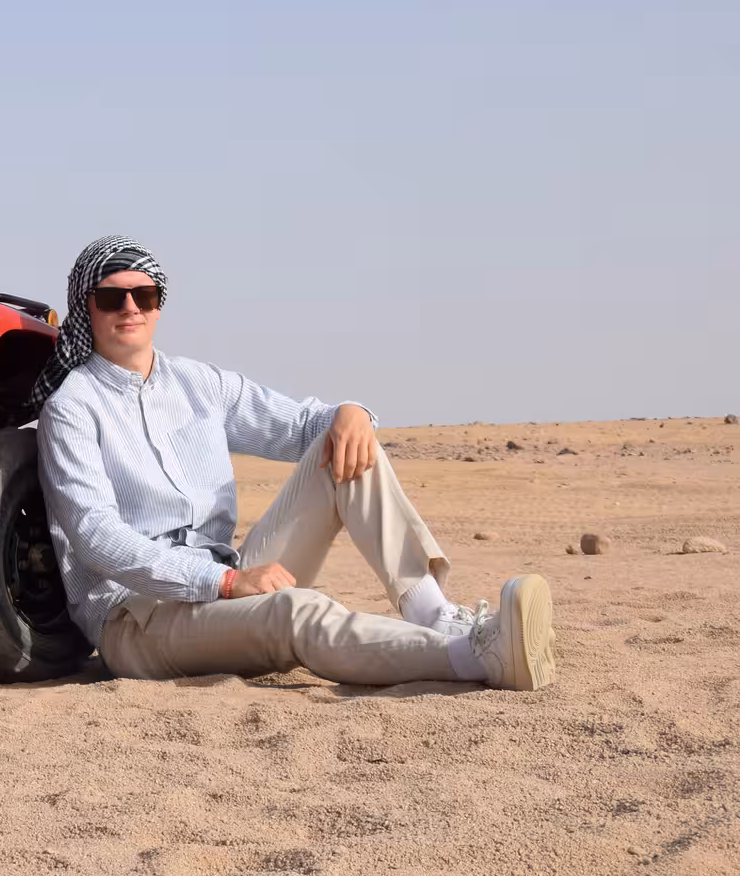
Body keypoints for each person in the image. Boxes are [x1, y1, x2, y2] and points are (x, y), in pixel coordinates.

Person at [32, 236, 555, 691]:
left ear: (159, 305)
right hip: (138, 618)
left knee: (345, 444)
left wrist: (351, 414)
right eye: (111, 297)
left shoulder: (201, 384)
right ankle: (474, 658)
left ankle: (433, 613)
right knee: (296, 610)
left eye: (143, 295)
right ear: (87, 309)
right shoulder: (71, 408)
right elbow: (96, 536)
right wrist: (226, 585)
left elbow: (305, 426)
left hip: (227, 578)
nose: (130, 307)